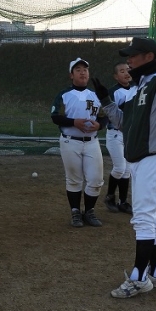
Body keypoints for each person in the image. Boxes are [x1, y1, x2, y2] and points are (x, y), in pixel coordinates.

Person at [93, 37, 156, 298]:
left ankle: (139, 278)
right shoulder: (138, 87)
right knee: (151, 217)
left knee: (144, 218)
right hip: (140, 160)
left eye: (133, 56)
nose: (129, 60)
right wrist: (105, 99)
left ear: (148, 57)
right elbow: (122, 122)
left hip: (155, 158)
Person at [50, 57, 105, 228]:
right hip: (70, 141)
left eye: (85, 70)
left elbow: (105, 116)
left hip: (92, 142)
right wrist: (74, 122)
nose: (82, 72)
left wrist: (100, 125)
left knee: (96, 179)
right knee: (74, 179)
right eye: (78, 70)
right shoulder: (64, 95)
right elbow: (55, 116)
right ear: (71, 75)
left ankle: (89, 211)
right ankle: (75, 212)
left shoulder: (95, 95)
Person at [103, 62, 133, 215]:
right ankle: (109, 197)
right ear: (115, 76)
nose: (126, 73)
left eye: (128, 70)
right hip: (115, 133)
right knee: (120, 168)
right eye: (122, 71)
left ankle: (123, 202)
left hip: (129, 134)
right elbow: (110, 112)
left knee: (127, 170)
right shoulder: (113, 92)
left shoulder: (136, 89)